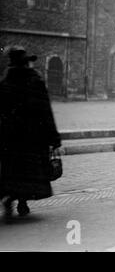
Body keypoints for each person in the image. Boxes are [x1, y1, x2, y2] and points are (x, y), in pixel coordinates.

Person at [0, 47, 61, 220]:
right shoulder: (35, 80)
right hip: (33, 137)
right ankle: (22, 202)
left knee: (12, 170)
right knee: (29, 171)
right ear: (26, 62)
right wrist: (54, 138)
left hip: (10, 138)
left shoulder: (5, 82)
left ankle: (10, 198)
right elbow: (45, 110)